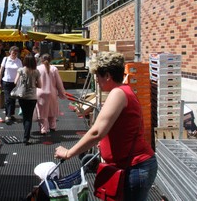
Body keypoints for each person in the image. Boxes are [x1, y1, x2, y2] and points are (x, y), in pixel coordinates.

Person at [54, 52, 157, 201]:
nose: (96, 80)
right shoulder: (122, 91)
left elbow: (97, 132)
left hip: (135, 168)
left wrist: (69, 153)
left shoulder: (118, 93)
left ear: (107, 75)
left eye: (98, 76)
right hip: (130, 167)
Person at [14, 54, 41, 145]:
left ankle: (26, 135)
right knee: (29, 117)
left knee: (25, 116)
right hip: (32, 97)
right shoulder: (36, 72)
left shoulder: (21, 70)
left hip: (22, 96)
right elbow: (40, 85)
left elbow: (15, 82)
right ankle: (26, 137)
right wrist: (33, 84)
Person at [36, 54, 66, 135]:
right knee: (52, 110)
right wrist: (62, 92)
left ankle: (43, 129)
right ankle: (52, 126)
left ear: (41, 59)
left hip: (40, 92)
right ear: (51, 60)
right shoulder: (54, 68)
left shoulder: (37, 68)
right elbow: (59, 82)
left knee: (42, 112)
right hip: (52, 92)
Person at [0, 46, 22, 124]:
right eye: (13, 52)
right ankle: (7, 116)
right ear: (10, 52)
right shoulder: (5, 59)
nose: (14, 53)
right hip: (6, 82)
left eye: (16, 52)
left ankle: (11, 114)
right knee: (8, 99)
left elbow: (21, 72)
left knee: (13, 99)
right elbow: (1, 71)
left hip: (15, 83)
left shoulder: (19, 61)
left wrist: (20, 83)